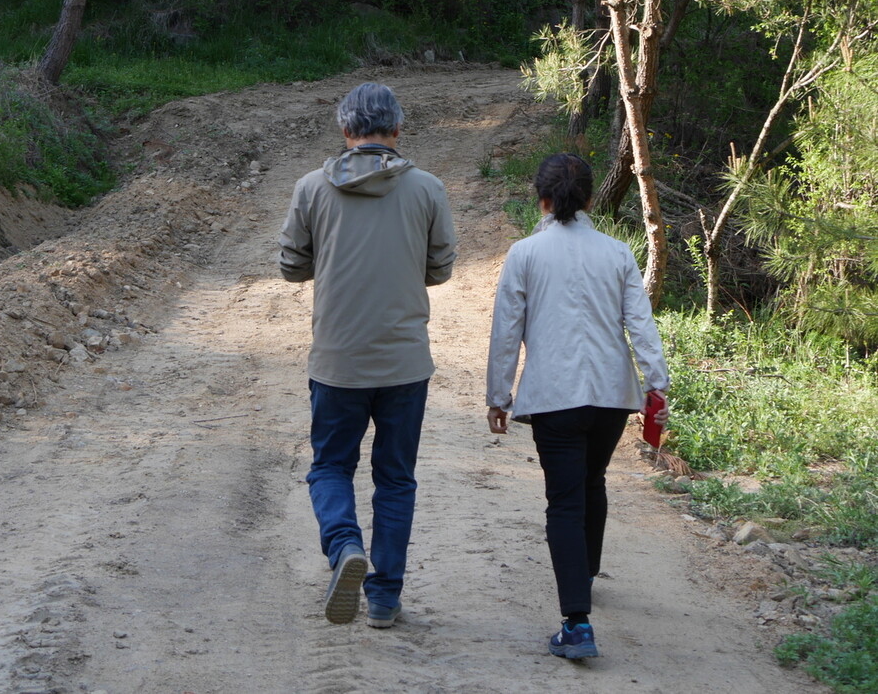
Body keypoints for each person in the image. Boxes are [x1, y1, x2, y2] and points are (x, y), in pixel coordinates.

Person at [280, 82, 457, 628]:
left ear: (345, 130)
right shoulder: (427, 189)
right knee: (395, 479)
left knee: (331, 466)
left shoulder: (311, 188)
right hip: (405, 362)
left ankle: (343, 548)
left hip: (337, 361)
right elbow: (442, 268)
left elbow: (291, 265)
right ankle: (383, 598)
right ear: (398, 131)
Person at [486, 153, 670, 661]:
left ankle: (577, 622)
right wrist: (657, 385)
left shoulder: (524, 253)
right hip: (612, 397)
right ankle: (584, 573)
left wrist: (498, 396)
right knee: (592, 483)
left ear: (541, 199)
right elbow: (641, 324)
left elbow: (507, 331)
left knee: (564, 501)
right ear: (591, 198)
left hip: (555, 398)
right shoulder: (617, 253)